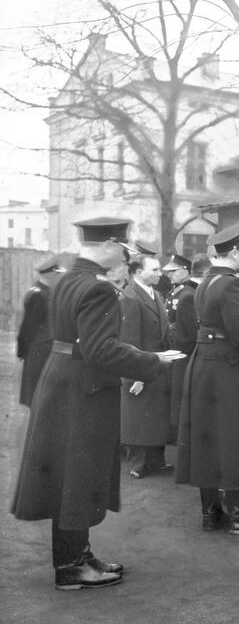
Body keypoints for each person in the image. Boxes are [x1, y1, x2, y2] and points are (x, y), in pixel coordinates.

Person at [10, 217, 171, 590]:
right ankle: (70, 566)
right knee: (78, 475)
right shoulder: (97, 288)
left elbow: (83, 342)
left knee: (69, 476)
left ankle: (77, 555)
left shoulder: (68, 279)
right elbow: (100, 350)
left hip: (63, 381)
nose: (125, 255)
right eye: (124, 247)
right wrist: (152, 362)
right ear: (111, 245)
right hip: (84, 389)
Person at [175, 225, 239, 535]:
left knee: (207, 440)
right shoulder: (233, 285)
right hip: (229, 369)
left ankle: (212, 513)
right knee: (235, 439)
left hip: (205, 365)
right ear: (233, 252)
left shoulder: (206, 281)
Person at [118, 253, 173, 479]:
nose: (160, 274)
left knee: (156, 413)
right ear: (139, 272)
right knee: (139, 414)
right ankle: (137, 463)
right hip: (142, 366)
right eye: (155, 270)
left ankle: (156, 461)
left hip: (158, 363)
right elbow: (130, 342)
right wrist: (136, 375)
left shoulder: (156, 294)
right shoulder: (130, 297)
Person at [16, 259, 65, 407]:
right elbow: (28, 327)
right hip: (39, 350)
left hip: (44, 348)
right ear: (49, 274)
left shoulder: (45, 292)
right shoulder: (39, 294)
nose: (58, 277)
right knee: (38, 395)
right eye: (56, 274)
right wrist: (22, 350)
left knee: (42, 395)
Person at [163, 253, 197, 444]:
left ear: (185, 270)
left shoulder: (187, 295)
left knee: (181, 398)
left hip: (183, 354)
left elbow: (189, 332)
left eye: (173, 271)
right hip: (175, 352)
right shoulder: (177, 292)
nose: (170, 275)